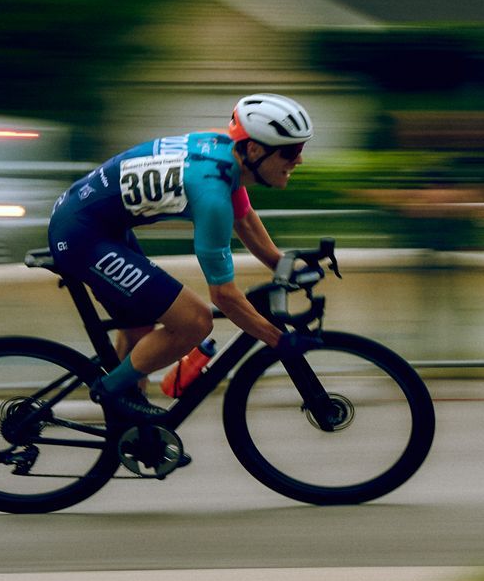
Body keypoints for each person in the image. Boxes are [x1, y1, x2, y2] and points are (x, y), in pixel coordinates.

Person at [48, 93, 319, 422]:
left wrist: (282, 264)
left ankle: (132, 430)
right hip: (82, 236)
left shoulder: (225, 155)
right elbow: (224, 295)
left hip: (95, 223)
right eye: (291, 151)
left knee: (141, 328)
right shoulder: (211, 191)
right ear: (255, 150)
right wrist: (277, 340)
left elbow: (244, 218)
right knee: (195, 321)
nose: (299, 160)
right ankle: (109, 391)